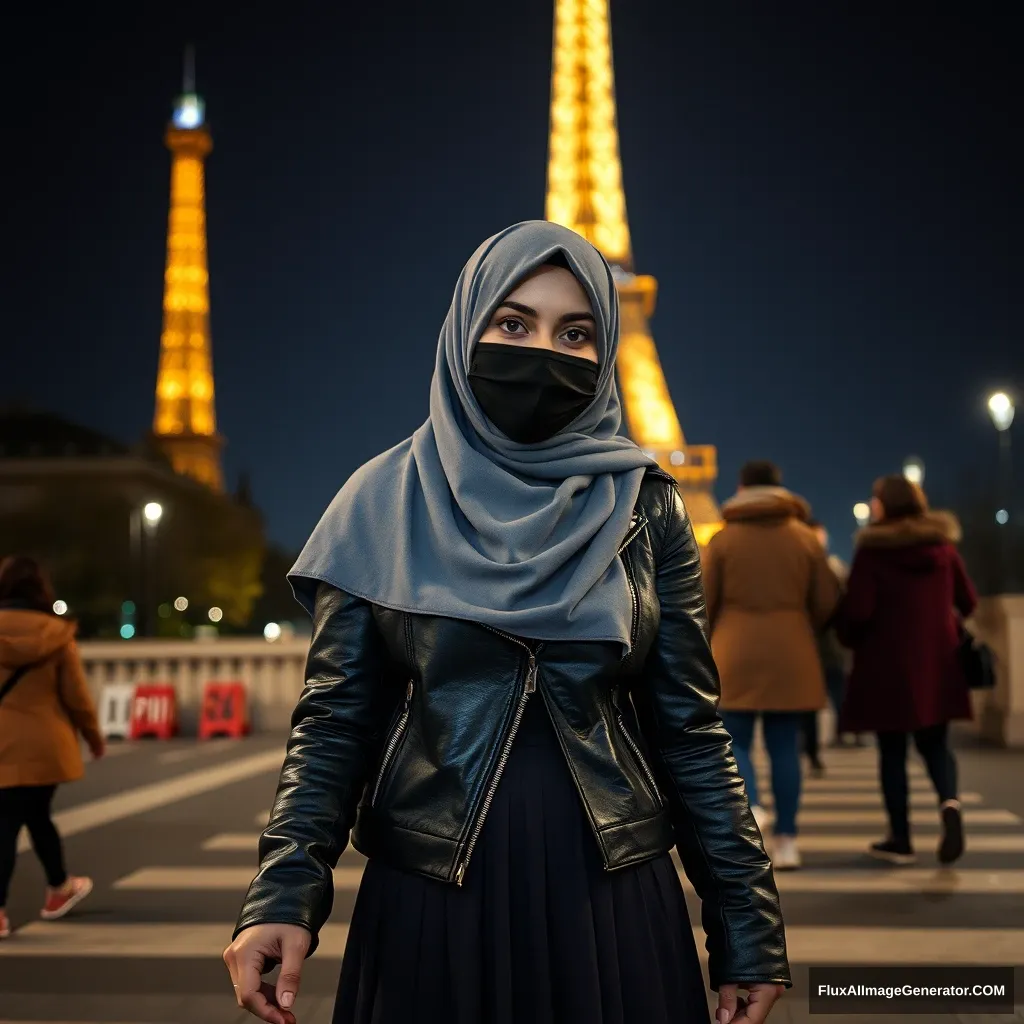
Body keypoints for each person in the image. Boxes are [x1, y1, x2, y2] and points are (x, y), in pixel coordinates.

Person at [223, 222, 790, 1024]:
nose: (543, 352)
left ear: (606, 352)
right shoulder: (381, 502)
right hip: (434, 894)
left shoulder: (646, 506)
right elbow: (334, 727)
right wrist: (282, 892)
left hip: (612, 888)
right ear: (466, 330)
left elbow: (690, 732)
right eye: (514, 323)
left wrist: (747, 924)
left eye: (577, 332)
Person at [702, 463, 841, 871]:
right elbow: (827, 600)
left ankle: (756, 808)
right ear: (781, 490)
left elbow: (704, 601)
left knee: (736, 742)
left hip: (734, 650)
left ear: (741, 488)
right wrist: (798, 625)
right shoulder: (804, 539)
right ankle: (787, 841)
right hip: (791, 650)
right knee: (785, 748)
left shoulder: (723, 540)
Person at [836, 475, 977, 866]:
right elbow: (969, 600)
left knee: (892, 751)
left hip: (887, 665)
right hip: (938, 662)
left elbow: (859, 611)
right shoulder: (943, 547)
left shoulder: (873, 551)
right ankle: (950, 806)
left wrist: (845, 631)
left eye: (876, 498)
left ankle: (901, 837)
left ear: (886, 504)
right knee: (936, 745)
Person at [0, 556, 104, 940]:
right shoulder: (56, 634)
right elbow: (76, 697)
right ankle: (58, 889)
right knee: (33, 815)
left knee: (9, 820)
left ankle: (54, 889)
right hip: (43, 745)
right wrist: (93, 737)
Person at [800, 521, 853, 766]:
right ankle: (823, 740)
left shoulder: (806, 566)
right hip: (823, 641)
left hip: (814, 641)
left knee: (822, 694)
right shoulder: (831, 568)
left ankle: (813, 743)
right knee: (825, 693)